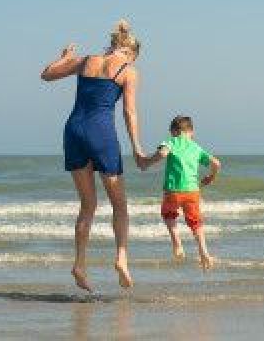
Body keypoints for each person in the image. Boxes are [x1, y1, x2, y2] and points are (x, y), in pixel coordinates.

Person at [41, 19, 145, 291]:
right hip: (101, 134)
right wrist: (137, 148)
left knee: (87, 206)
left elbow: (47, 74)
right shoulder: (129, 71)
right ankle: (122, 258)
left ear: (112, 44)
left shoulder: (86, 60)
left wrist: (63, 58)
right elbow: (129, 113)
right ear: (131, 53)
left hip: (73, 131)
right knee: (120, 205)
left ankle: (79, 264)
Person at [142, 116, 221, 270]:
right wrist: (211, 177)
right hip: (192, 191)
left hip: (173, 190)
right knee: (195, 222)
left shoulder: (170, 142)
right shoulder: (196, 147)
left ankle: (177, 243)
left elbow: (163, 154)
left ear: (173, 131)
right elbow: (216, 163)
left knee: (168, 213)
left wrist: (147, 162)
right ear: (191, 132)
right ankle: (204, 252)